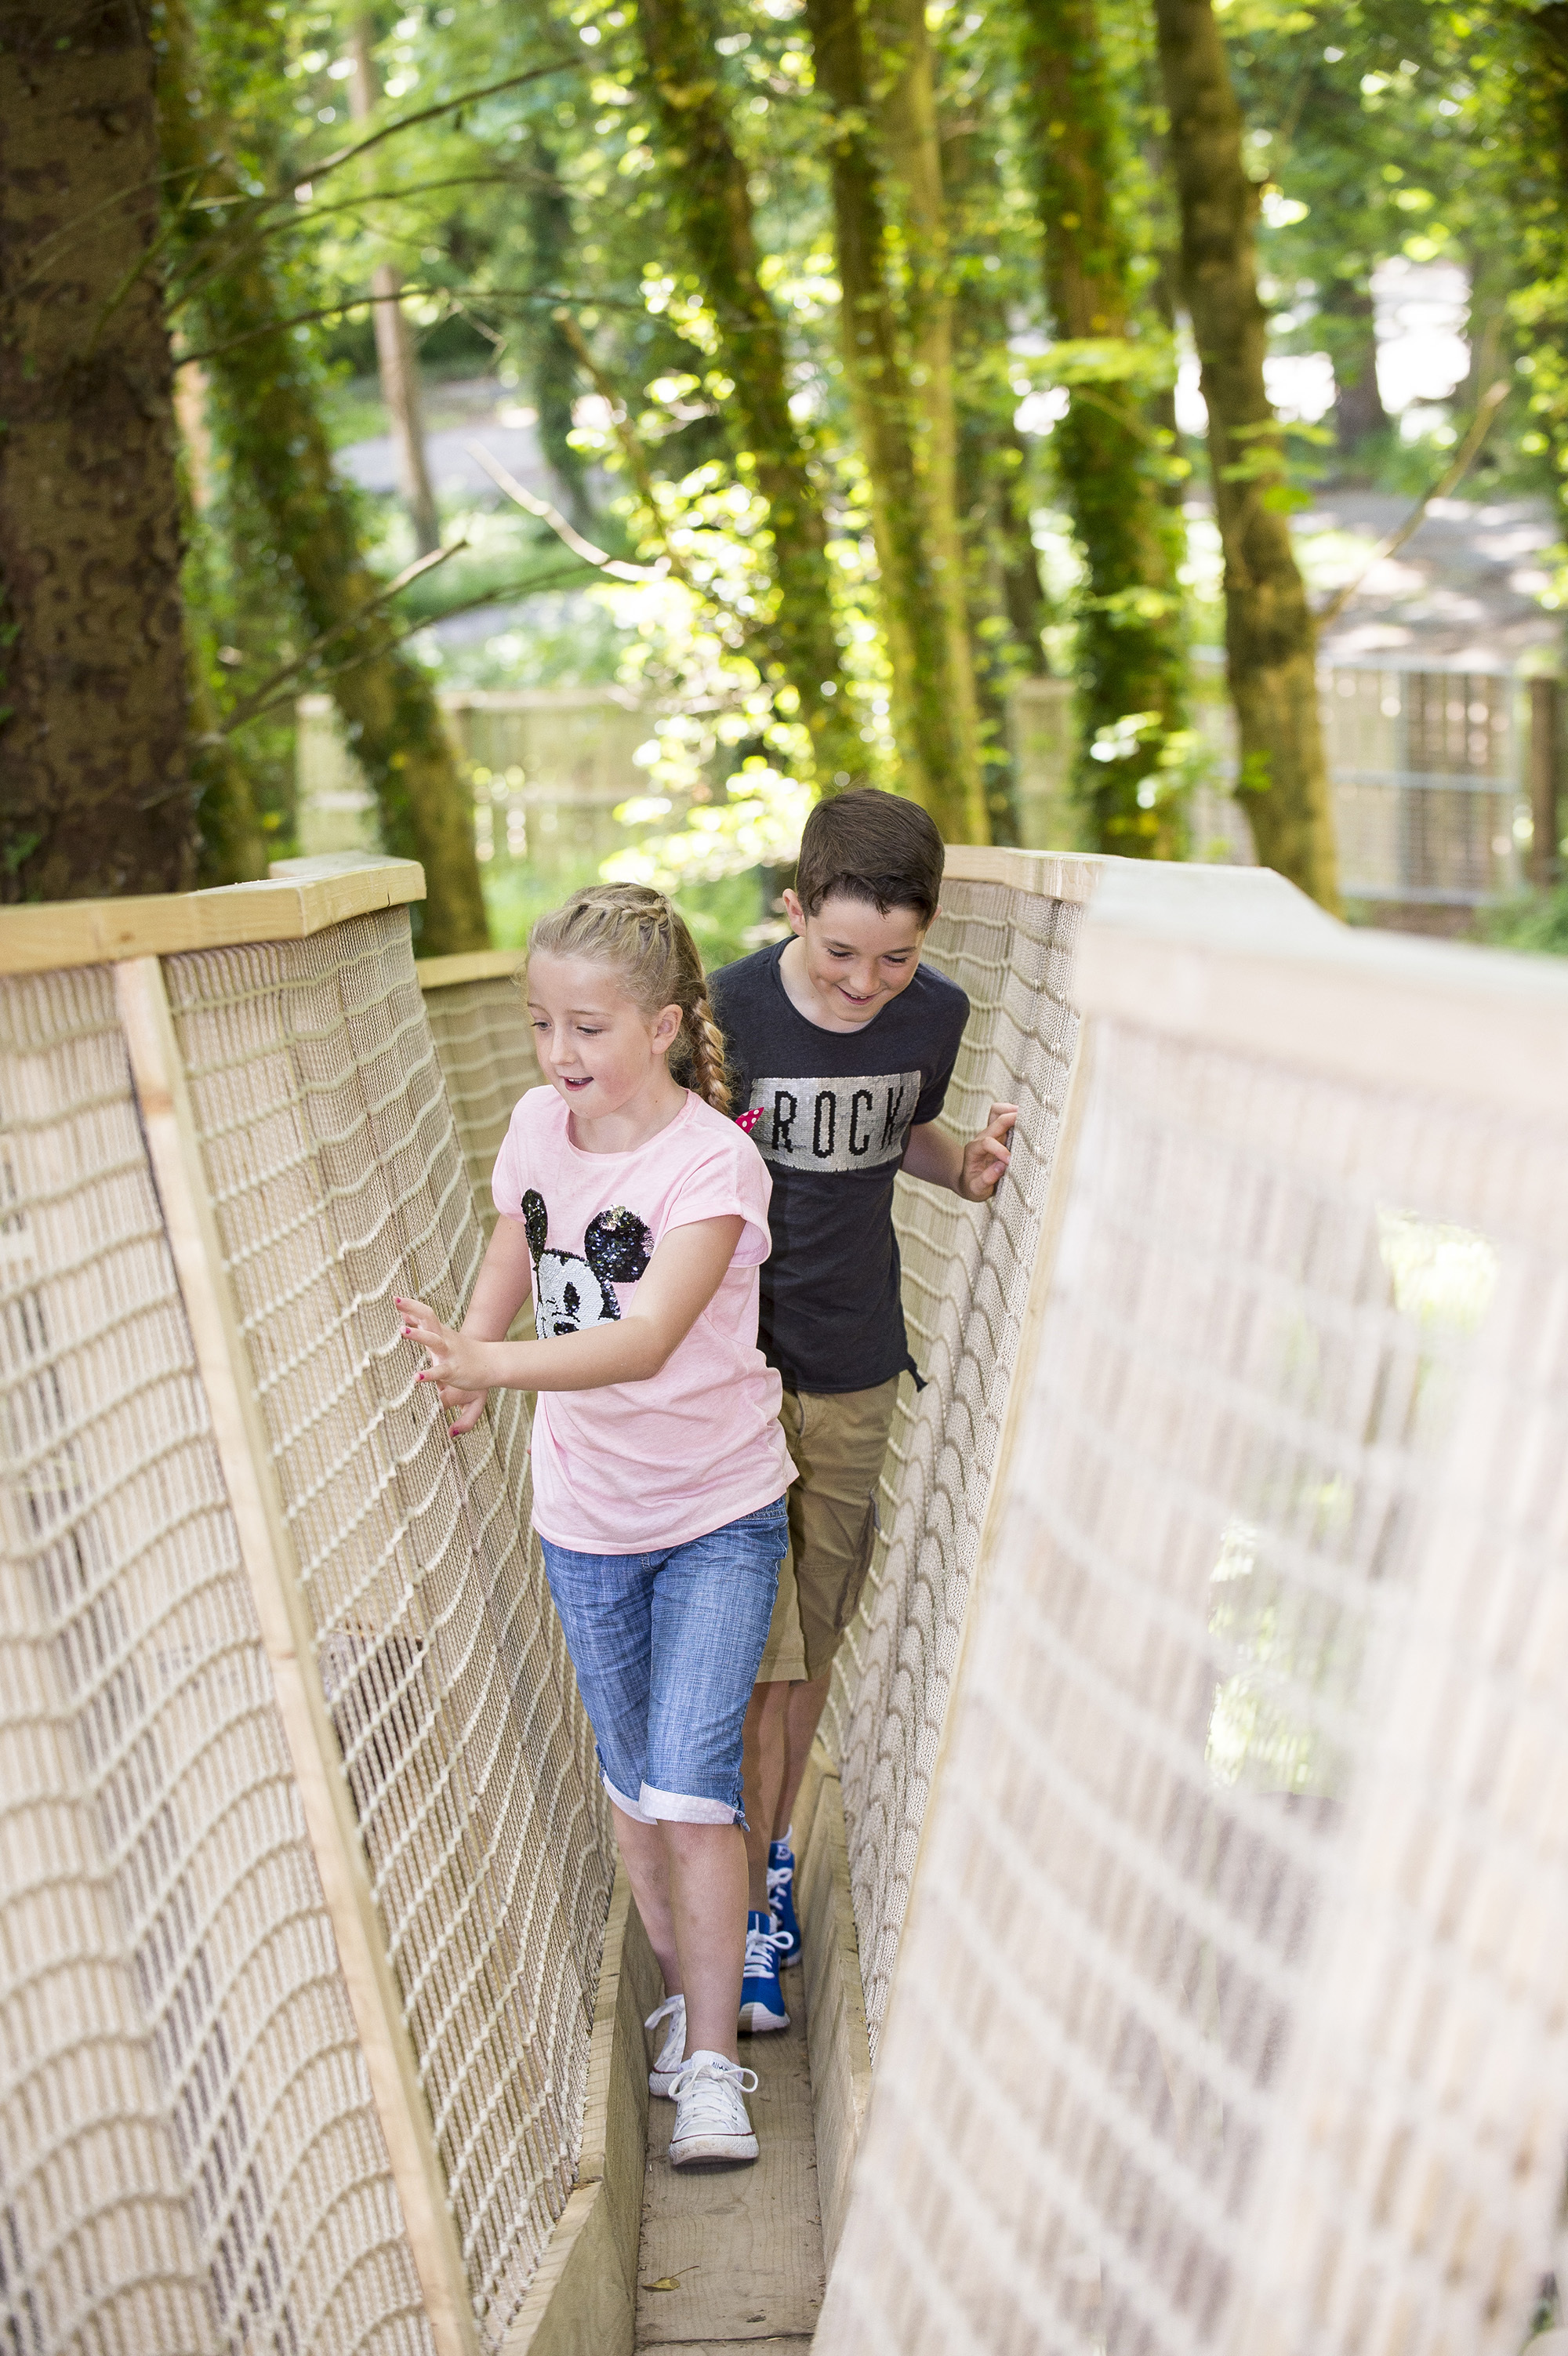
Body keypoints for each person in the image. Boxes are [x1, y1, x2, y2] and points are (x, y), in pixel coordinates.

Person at [397, 884, 793, 2170]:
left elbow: (648, 1335)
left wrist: (496, 1367)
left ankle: (717, 2067)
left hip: (718, 1511)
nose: (558, 1053)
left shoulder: (712, 1163)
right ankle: (686, 2003)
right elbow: (516, 1242)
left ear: (664, 1027)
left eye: (588, 1027)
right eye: (540, 1024)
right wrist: (468, 1349)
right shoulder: (535, 1124)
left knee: (689, 1783)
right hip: (586, 1519)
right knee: (634, 1792)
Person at [709, 790, 1015, 2034]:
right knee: (755, 1655)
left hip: (854, 1367)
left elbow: (905, 1134)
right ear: (794, 910)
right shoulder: (726, 1012)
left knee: (812, 1648)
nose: (864, 983)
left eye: (895, 958)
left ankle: (770, 1860)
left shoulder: (934, 1016)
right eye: (840, 952)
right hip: (728, 1373)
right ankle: (737, 1907)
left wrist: (963, 1168)